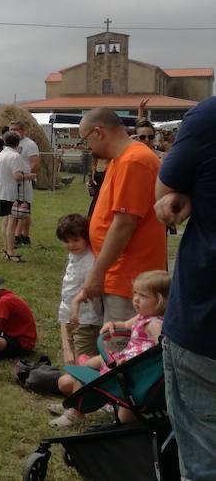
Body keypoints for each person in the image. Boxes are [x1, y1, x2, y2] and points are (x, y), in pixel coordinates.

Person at [154, 95, 216, 479]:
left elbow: (166, 198)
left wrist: (188, 193)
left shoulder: (208, 118)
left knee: (205, 464)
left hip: (206, 325)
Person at [73, 108, 166, 324]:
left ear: (98, 132)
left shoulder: (133, 161)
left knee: (123, 348)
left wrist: (97, 273)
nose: (87, 147)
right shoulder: (120, 159)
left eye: (86, 140)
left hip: (129, 279)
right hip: (120, 275)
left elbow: (124, 224)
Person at [51, 270, 170, 428]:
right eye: (135, 293)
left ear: (161, 301)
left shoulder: (155, 324)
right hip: (125, 361)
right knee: (89, 365)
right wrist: (113, 325)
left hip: (131, 368)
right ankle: (74, 403)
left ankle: (75, 412)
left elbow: (160, 350)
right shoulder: (143, 318)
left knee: (86, 374)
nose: (135, 300)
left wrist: (132, 361)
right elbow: (126, 325)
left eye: (143, 296)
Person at [55, 214, 102, 364]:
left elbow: (93, 289)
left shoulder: (89, 261)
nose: (70, 245)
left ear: (86, 238)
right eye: (66, 241)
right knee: (72, 358)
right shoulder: (74, 256)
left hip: (86, 321)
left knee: (84, 360)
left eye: (75, 240)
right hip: (71, 317)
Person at [0, 131, 34, 262]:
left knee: (5, 222)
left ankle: (6, 249)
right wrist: (30, 176)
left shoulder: (1, 155)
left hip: (1, 191)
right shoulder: (14, 156)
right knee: (12, 223)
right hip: (11, 193)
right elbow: (17, 176)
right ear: (18, 143)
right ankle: (10, 252)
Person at [9, 120, 39, 247]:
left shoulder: (29, 144)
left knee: (22, 210)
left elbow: (35, 162)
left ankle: (18, 236)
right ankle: (25, 236)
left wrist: (27, 177)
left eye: (16, 129)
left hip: (24, 180)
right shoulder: (11, 144)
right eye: (11, 129)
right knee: (22, 211)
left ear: (22, 130)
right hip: (13, 181)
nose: (13, 132)